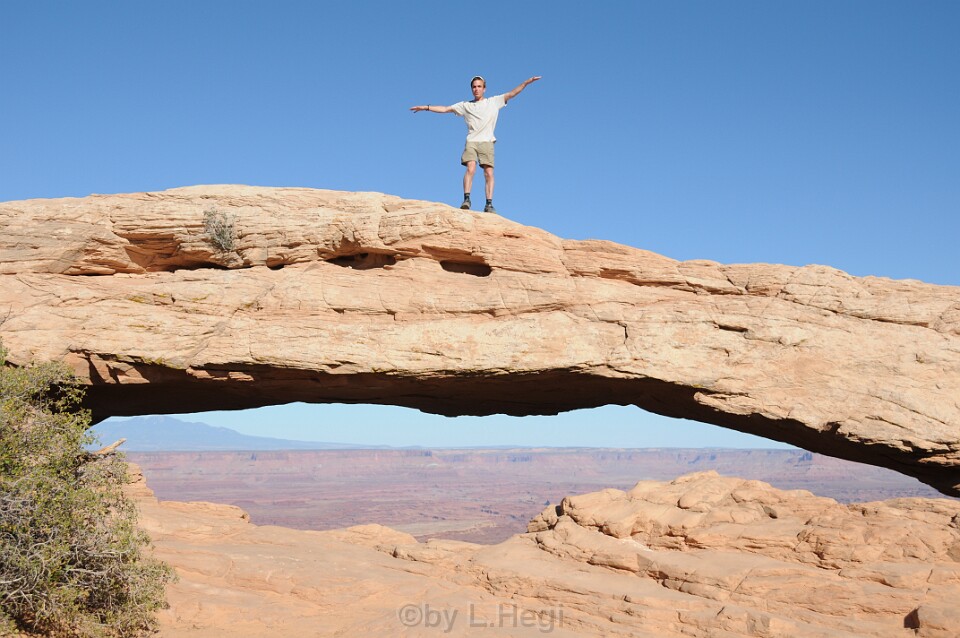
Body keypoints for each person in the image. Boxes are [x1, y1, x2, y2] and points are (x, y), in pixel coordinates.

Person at [411, 75, 541, 213]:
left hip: (487, 141)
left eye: (479, 86)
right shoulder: (465, 105)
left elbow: (512, 93)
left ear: (484, 89)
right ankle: (466, 200)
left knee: (488, 172)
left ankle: (489, 204)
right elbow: (445, 109)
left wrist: (526, 82)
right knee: (470, 168)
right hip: (472, 141)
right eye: (474, 87)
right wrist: (426, 107)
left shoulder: (493, 102)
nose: (476, 89)